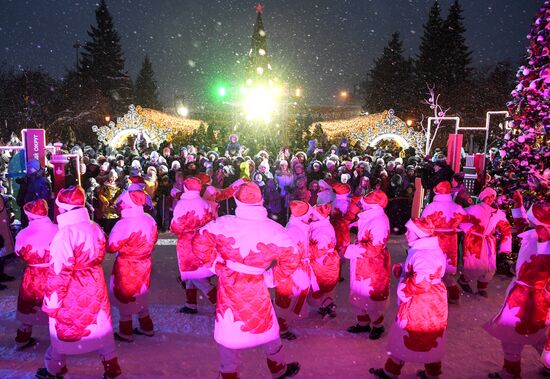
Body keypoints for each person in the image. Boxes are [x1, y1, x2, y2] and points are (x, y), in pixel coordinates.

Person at [190, 182, 300, 379]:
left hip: (230, 284)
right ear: (261, 200)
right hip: (257, 284)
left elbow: (199, 242)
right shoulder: (274, 229)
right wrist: (270, 278)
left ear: (236, 201)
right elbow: (292, 258)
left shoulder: (223, 223)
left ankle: (228, 373)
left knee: (229, 331)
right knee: (267, 327)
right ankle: (279, 369)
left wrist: (215, 265)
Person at [37, 186, 121, 379]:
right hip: (95, 282)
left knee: (63, 331)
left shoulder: (64, 235)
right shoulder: (93, 226)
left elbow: (59, 272)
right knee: (100, 326)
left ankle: (54, 369)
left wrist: (52, 303)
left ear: (63, 208)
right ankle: (112, 368)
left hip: (72, 289)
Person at [370, 217, 448, 379]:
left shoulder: (423, 254)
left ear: (419, 234)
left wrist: (404, 289)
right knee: (429, 336)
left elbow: (422, 281)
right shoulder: (428, 250)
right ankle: (431, 373)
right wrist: (405, 272)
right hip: (432, 301)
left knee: (406, 333)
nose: (406, 234)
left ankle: (391, 372)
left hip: (420, 303)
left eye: (409, 231)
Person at [485, 192, 549, 379]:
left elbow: (543, 265)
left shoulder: (543, 241)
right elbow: (523, 224)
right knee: (536, 333)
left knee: (511, 335)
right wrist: (518, 206)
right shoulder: (535, 233)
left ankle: (510, 372)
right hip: (532, 295)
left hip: (526, 297)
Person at [107, 190, 158, 342]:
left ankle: (125, 332)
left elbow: (111, 247)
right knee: (140, 295)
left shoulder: (123, 224)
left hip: (127, 266)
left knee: (125, 298)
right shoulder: (149, 219)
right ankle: (147, 327)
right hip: (145, 263)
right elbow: (154, 238)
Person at [345, 190, 390, 340]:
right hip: (363, 261)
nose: (361, 205)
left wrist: (351, 249)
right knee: (359, 294)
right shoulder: (373, 216)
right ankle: (363, 323)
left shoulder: (379, 221)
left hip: (372, 264)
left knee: (370, 297)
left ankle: (378, 326)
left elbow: (375, 247)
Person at [170, 177, 219, 314]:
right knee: (194, 274)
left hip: (188, 243)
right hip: (203, 241)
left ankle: (219, 303)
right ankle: (190, 304)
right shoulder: (204, 203)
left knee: (194, 276)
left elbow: (176, 227)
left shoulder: (182, 204)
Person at [14, 199, 58, 350]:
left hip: (33, 275)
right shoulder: (57, 229)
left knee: (30, 306)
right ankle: (58, 340)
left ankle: (22, 338)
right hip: (54, 274)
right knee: (55, 306)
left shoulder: (23, 234)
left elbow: (18, 253)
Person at [458, 187, 512, 297]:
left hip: (488, 241)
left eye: (493, 197)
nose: (491, 199)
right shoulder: (473, 209)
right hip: (475, 241)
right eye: (488, 196)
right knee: (474, 265)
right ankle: (463, 280)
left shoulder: (498, 214)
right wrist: (470, 230)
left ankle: (482, 287)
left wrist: (505, 245)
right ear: (483, 197)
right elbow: (460, 220)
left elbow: (506, 228)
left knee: (490, 267)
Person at [420, 181, 466, 304]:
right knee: (447, 269)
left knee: (432, 267)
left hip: (434, 239)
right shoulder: (456, 206)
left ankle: (433, 295)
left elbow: (423, 223)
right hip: (451, 238)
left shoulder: (431, 207)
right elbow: (465, 220)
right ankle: (454, 295)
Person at [275, 200, 313, 340]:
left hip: (298, 268)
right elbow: (288, 255)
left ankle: (284, 323)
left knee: (292, 298)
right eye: (309, 215)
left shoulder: (300, 227)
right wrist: (296, 272)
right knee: (286, 300)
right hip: (291, 272)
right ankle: (281, 329)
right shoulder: (293, 230)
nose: (311, 217)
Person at [309, 203, 339, 318]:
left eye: (313, 214)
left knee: (319, 286)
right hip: (326, 262)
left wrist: (305, 248)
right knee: (322, 287)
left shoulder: (322, 230)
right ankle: (325, 306)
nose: (311, 216)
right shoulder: (322, 225)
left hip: (322, 263)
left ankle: (328, 305)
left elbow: (319, 250)